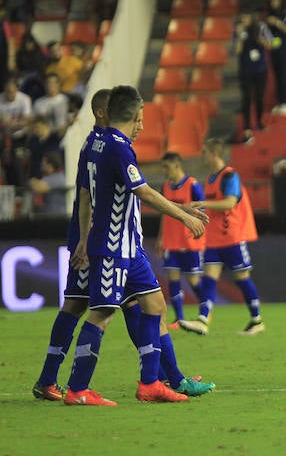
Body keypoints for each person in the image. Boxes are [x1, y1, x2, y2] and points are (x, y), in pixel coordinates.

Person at [32, 90, 214, 402]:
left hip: (115, 242)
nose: (142, 124)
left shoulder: (94, 144)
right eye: (139, 118)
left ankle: (161, 379)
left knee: (149, 305)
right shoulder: (113, 147)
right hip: (111, 243)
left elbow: (86, 194)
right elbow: (140, 192)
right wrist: (183, 214)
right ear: (106, 113)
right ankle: (80, 387)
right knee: (101, 310)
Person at [181, 138, 264, 336]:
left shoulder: (230, 176)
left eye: (204, 152)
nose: (202, 156)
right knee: (209, 280)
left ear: (213, 153)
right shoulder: (211, 178)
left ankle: (256, 320)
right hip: (214, 239)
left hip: (232, 237)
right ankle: (202, 320)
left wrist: (202, 204)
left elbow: (229, 203)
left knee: (242, 279)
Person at [156, 152, 206, 329]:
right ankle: (179, 318)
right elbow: (164, 212)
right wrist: (161, 237)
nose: (164, 170)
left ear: (177, 165)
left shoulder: (193, 185)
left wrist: (197, 230)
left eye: (166, 167)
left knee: (193, 281)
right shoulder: (166, 186)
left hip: (189, 242)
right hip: (171, 240)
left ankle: (205, 312)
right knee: (173, 279)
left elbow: (202, 211)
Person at [233, 11, 271, 142]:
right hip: (246, 70)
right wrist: (239, 35)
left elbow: (270, 45)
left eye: (246, 16)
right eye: (242, 16)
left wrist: (258, 38)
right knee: (247, 98)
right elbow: (237, 50)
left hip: (260, 69)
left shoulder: (261, 28)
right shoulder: (238, 30)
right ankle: (247, 126)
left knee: (259, 97)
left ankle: (260, 122)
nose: (244, 19)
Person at [28, 150, 67, 215]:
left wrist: (32, 181)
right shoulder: (47, 178)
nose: (42, 165)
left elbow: (38, 188)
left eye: (44, 162)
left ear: (50, 165)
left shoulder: (59, 177)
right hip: (47, 218)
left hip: (57, 219)